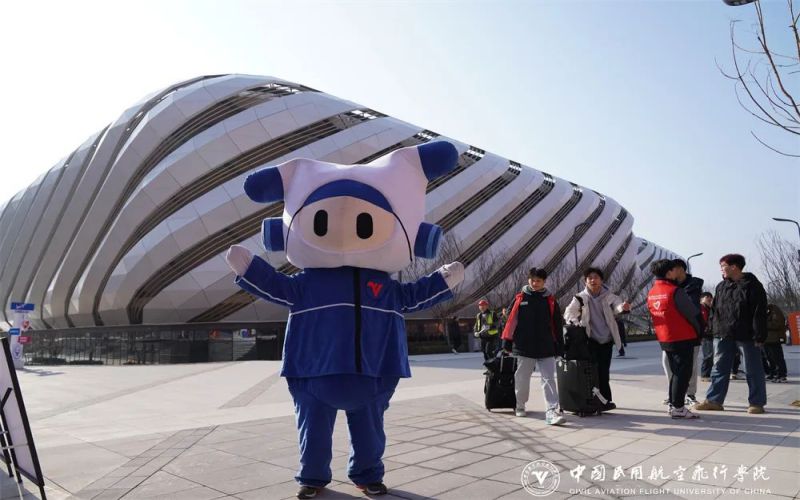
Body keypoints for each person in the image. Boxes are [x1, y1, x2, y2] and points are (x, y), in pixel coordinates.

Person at [695, 254, 768, 414]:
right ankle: (714, 401)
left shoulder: (753, 285)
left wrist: (760, 335)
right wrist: (711, 329)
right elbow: (714, 311)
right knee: (719, 368)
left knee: (752, 369)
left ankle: (756, 403)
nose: (721, 269)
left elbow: (759, 312)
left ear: (734, 266)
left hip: (747, 335)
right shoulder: (721, 286)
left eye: (723, 266)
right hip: (723, 334)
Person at [501, 268, 566, 425]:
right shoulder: (520, 298)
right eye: (533, 280)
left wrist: (560, 347)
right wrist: (507, 342)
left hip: (546, 346)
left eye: (538, 281)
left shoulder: (550, 300)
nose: (535, 283)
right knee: (522, 378)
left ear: (544, 282)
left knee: (549, 379)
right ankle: (520, 405)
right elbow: (510, 321)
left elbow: (557, 325)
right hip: (524, 346)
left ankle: (551, 411)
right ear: (528, 280)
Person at [563, 267, 631, 411]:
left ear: (601, 280)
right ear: (585, 281)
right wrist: (576, 323)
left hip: (606, 339)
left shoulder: (610, 296)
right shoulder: (580, 297)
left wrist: (623, 307)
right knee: (592, 372)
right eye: (590, 278)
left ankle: (605, 401)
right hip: (590, 339)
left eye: (596, 277)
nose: (593, 280)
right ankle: (594, 401)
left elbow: (617, 307)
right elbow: (568, 313)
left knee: (604, 372)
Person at [647, 259, 702, 419]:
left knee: (675, 372)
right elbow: (692, 313)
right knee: (682, 373)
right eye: (673, 270)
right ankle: (678, 407)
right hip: (682, 337)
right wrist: (699, 330)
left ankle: (673, 404)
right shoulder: (674, 291)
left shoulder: (652, 292)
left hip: (665, 338)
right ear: (669, 272)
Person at [660, 259, 704, 406]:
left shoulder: (693, 286)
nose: (669, 272)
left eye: (672, 269)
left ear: (681, 269)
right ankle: (674, 393)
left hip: (690, 331)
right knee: (667, 361)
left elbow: (691, 310)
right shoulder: (668, 285)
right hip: (671, 333)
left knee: (690, 364)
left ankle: (690, 394)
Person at [764, 304, 788, 383]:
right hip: (767, 339)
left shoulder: (774, 310)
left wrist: (762, 324)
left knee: (777, 357)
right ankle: (773, 373)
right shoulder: (766, 311)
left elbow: (777, 324)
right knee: (769, 357)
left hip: (774, 339)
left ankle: (782, 375)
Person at [699, 292, 715, 381]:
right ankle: (705, 374)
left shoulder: (709, 308)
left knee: (711, 354)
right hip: (705, 335)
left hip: (710, 334)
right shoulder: (700, 308)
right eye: (707, 297)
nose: (709, 298)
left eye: (710, 297)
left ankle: (708, 373)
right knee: (708, 355)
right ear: (702, 299)